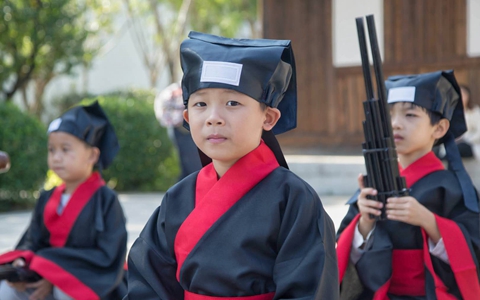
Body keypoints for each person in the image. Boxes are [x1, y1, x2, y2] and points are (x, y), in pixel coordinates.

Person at [124, 31, 339, 299]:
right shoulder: (178, 198)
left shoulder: (295, 200)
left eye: (232, 102)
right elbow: (148, 281)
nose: (214, 118)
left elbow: (309, 289)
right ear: (188, 118)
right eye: (201, 103)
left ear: (268, 117)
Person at [336, 70, 480, 299]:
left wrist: (429, 221)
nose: (395, 124)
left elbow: (474, 251)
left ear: (439, 128)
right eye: (389, 116)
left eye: (410, 115)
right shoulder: (374, 182)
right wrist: (364, 222)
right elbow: (345, 252)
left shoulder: (451, 187)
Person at [0, 101, 128, 300]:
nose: (56, 157)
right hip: (41, 275)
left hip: (90, 283)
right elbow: (32, 243)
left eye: (65, 149)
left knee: (67, 290)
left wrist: (58, 275)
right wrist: (20, 267)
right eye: (52, 150)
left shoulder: (106, 201)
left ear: (93, 155)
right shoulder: (47, 197)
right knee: (6, 290)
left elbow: (108, 256)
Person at [154, 82, 202, 181]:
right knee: (189, 162)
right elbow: (161, 108)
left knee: (188, 163)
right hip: (180, 131)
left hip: (187, 130)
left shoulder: (193, 89)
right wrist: (175, 122)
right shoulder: (173, 91)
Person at [455, 85, 480, 159]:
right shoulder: (451, 113)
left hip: (470, 143)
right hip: (453, 142)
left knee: (456, 149)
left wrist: (465, 139)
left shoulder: (475, 111)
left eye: (463, 94)